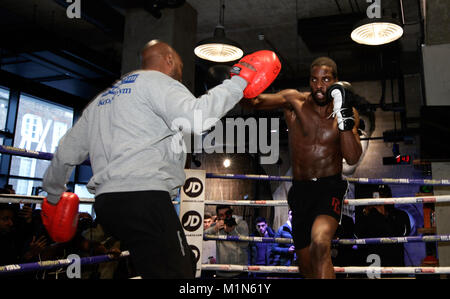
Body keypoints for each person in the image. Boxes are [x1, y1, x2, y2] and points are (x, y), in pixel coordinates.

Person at [41, 40, 280, 279]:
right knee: (181, 273)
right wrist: (239, 81)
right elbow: (198, 118)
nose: (181, 70)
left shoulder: (104, 99)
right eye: (181, 63)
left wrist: (53, 197)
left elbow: (66, 151)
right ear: (169, 60)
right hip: (144, 199)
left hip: (107, 205)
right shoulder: (158, 82)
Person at [241, 57, 362, 278]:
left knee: (320, 243)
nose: (319, 85)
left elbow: (353, 157)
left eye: (326, 79)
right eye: (314, 79)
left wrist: (344, 121)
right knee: (306, 266)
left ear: (335, 81)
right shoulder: (294, 102)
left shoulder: (347, 111)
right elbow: (254, 102)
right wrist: (238, 83)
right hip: (300, 191)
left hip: (329, 188)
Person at [354, 184, 411, 270]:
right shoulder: (367, 215)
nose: (381, 198)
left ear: (389, 197)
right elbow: (357, 236)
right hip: (373, 259)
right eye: (378, 195)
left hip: (394, 259)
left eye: (383, 195)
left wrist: (384, 214)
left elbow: (404, 234)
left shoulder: (400, 214)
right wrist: (367, 212)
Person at [204, 205, 249, 278]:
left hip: (239, 271)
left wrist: (232, 232)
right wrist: (215, 228)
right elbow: (204, 236)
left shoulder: (240, 224)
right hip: (221, 271)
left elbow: (245, 244)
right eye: (221, 215)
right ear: (218, 216)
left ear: (231, 213)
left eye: (227, 213)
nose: (225, 216)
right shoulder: (217, 225)